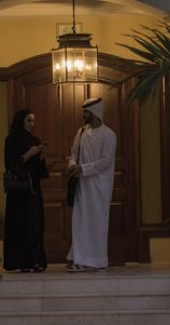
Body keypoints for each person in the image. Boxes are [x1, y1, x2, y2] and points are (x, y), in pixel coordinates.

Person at [66, 98, 117, 272]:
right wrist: (73, 165)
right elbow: (73, 153)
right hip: (82, 185)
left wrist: (83, 168)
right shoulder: (81, 132)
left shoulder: (108, 135)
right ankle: (79, 259)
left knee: (97, 222)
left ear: (95, 113)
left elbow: (105, 162)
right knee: (80, 221)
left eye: (86, 112)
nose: (83, 115)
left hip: (99, 188)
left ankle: (98, 261)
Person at [3, 108, 49, 273]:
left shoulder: (34, 140)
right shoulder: (11, 140)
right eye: (28, 121)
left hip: (33, 190)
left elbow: (42, 172)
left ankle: (35, 261)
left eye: (33, 121)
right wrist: (28, 154)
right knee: (18, 226)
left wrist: (41, 156)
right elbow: (10, 165)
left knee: (34, 225)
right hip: (17, 192)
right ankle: (18, 262)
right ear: (20, 122)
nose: (31, 124)